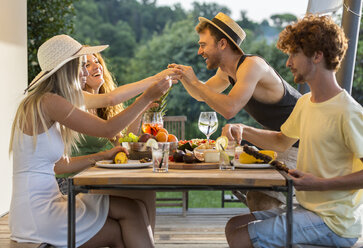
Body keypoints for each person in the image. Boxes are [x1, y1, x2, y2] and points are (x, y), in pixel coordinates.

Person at [9, 34, 177, 248]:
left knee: (134, 210)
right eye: (80, 65)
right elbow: (108, 129)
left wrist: (102, 156)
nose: (85, 71)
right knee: (124, 224)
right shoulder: (49, 102)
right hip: (39, 215)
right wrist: (146, 98)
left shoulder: (46, 102)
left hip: (41, 207)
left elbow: (60, 165)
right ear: (67, 69)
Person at [223, 15, 363, 247]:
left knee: (241, 236)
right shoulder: (306, 102)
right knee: (233, 226)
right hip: (307, 208)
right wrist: (242, 128)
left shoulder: (348, 112)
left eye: (294, 54)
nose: (288, 62)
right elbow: (280, 141)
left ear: (317, 56)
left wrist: (318, 184)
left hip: (335, 222)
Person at [169, 12, 301, 211]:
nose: (199, 51)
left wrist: (195, 81)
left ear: (222, 44)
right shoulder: (227, 71)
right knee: (255, 196)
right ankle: (267, 234)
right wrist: (186, 79)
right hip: (278, 141)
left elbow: (229, 108)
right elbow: (202, 94)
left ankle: (276, 235)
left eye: (203, 45)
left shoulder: (252, 66)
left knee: (259, 198)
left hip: (300, 144)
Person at [57, 51, 177, 232]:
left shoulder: (102, 108)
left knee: (146, 191)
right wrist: (152, 84)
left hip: (98, 175)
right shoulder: (73, 100)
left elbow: (122, 141)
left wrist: (142, 104)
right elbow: (111, 108)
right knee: (143, 194)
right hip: (76, 179)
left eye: (97, 61)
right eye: (86, 64)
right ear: (76, 72)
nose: (95, 66)